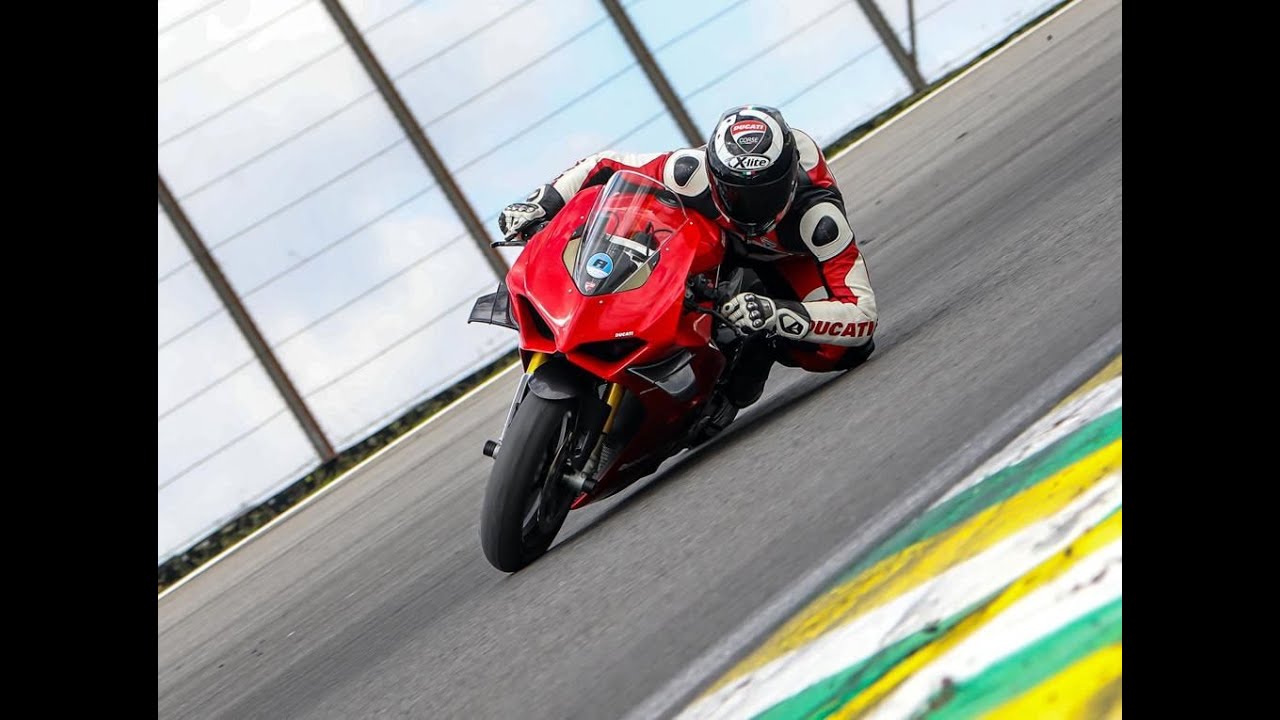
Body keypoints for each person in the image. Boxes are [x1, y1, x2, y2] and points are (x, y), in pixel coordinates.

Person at [497, 104, 878, 411]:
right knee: (636, 213)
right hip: (711, 231)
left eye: (763, 193)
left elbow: (862, 314)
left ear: (788, 180)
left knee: (838, 352)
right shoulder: (688, 172)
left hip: (783, 256)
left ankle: (742, 363)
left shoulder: (819, 221)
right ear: (714, 174)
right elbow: (606, 165)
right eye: (734, 191)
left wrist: (775, 312)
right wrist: (543, 202)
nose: (748, 206)